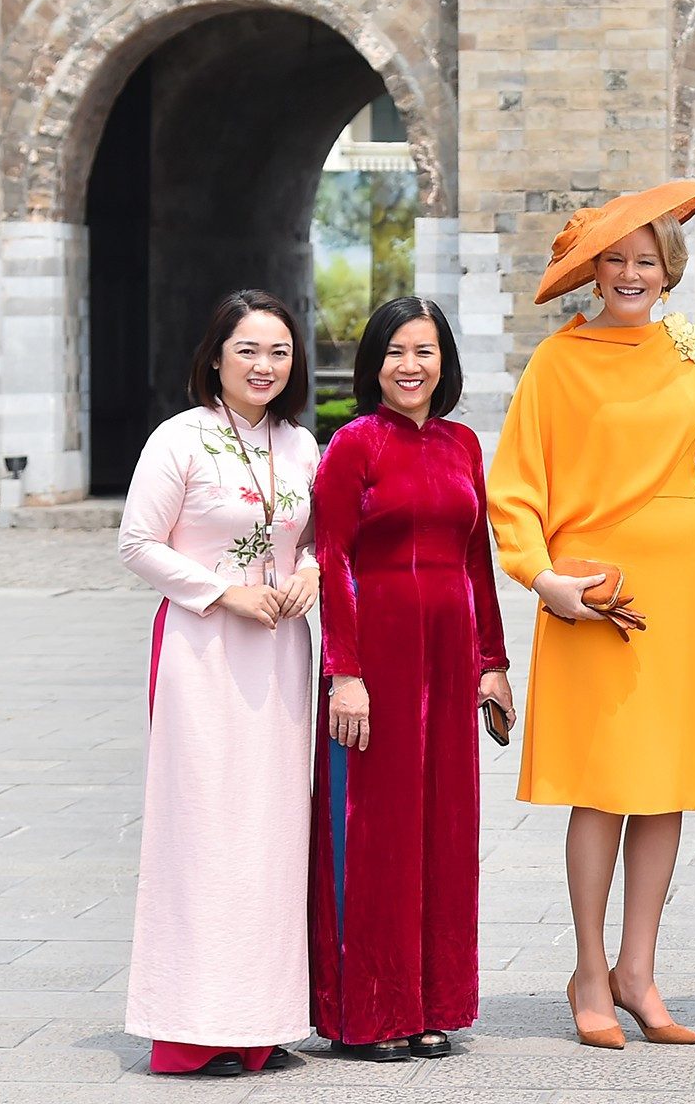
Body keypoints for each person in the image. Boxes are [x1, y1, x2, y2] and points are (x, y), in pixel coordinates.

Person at [488, 180, 695, 1050]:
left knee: (665, 790)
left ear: (668, 269)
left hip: (680, 600)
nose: (631, 274)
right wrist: (543, 580)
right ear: (593, 270)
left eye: (646, 260)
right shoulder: (557, 364)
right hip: (592, 599)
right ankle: (590, 972)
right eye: (616, 260)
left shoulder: (692, 358)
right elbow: (514, 493)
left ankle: (640, 969)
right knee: (602, 792)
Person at [116, 289, 320, 1077]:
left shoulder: (303, 446)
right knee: (201, 830)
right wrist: (220, 590)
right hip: (204, 650)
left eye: (278, 351)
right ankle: (191, 1027)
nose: (264, 365)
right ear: (215, 357)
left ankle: (262, 1023)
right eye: (248, 350)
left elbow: (323, 538)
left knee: (272, 834)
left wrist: (310, 574)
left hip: (279, 655)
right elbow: (137, 543)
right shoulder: (182, 439)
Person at [308, 296, 512, 1061]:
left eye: (424, 352)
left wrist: (493, 665)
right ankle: (367, 1012)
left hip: (451, 656)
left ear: (443, 363)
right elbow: (331, 560)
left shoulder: (463, 444)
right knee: (377, 833)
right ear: (374, 363)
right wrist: (345, 673)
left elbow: (475, 561)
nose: (410, 366)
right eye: (396, 351)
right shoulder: (354, 444)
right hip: (379, 657)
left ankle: (432, 1004)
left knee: (444, 831)